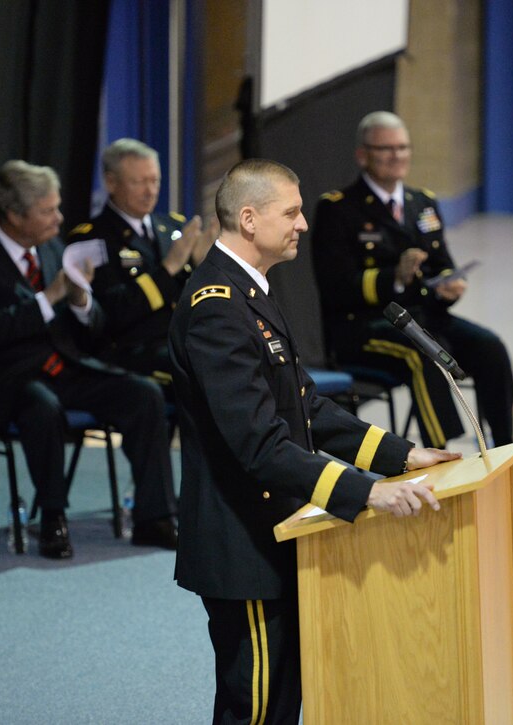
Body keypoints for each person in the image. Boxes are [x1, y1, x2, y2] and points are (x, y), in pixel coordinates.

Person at [168, 158, 459, 723]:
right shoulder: (217, 309)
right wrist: (366, 493)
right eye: (292, 212)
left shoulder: (252, 292)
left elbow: (304, 406)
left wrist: (402, 456)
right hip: (241, 546)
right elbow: (259, 443)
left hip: (276, 532)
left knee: (282, 701)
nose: (303, 224)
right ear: (249, 219)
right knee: (253, 706)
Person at [0, 160, 179, 558]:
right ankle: (53, 516)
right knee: (42, 407)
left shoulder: (52, 248)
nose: (60, 217)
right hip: (3, 378)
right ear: (15, 215)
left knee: (143, 394)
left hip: (62, 367)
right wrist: (48, 299)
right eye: (49, 211)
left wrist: (82, 301)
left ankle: (155, 517)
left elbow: (92, 328)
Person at [310, 110, 513, 495]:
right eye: (386, 149)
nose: (397, 156)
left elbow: (443, 266)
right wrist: (395, 276)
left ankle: (506, 458)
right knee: (425, 355)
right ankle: (444, 463)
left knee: (490, 348)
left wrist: (448, 287)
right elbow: (336, 286)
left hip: (423, 318)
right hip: (363, 328)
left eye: (403, 147)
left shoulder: (421, 203)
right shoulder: (338, 208)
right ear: (363, 155)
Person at [67, 138, 215, 388]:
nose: (150, 191)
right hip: (130, 350)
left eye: (155, 180)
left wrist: (203, 266)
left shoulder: (173, 227)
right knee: (202, 373)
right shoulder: (91, 238)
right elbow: (113, 313)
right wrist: (169, 269)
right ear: (111, 182)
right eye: (139, 182)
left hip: (180, 341)